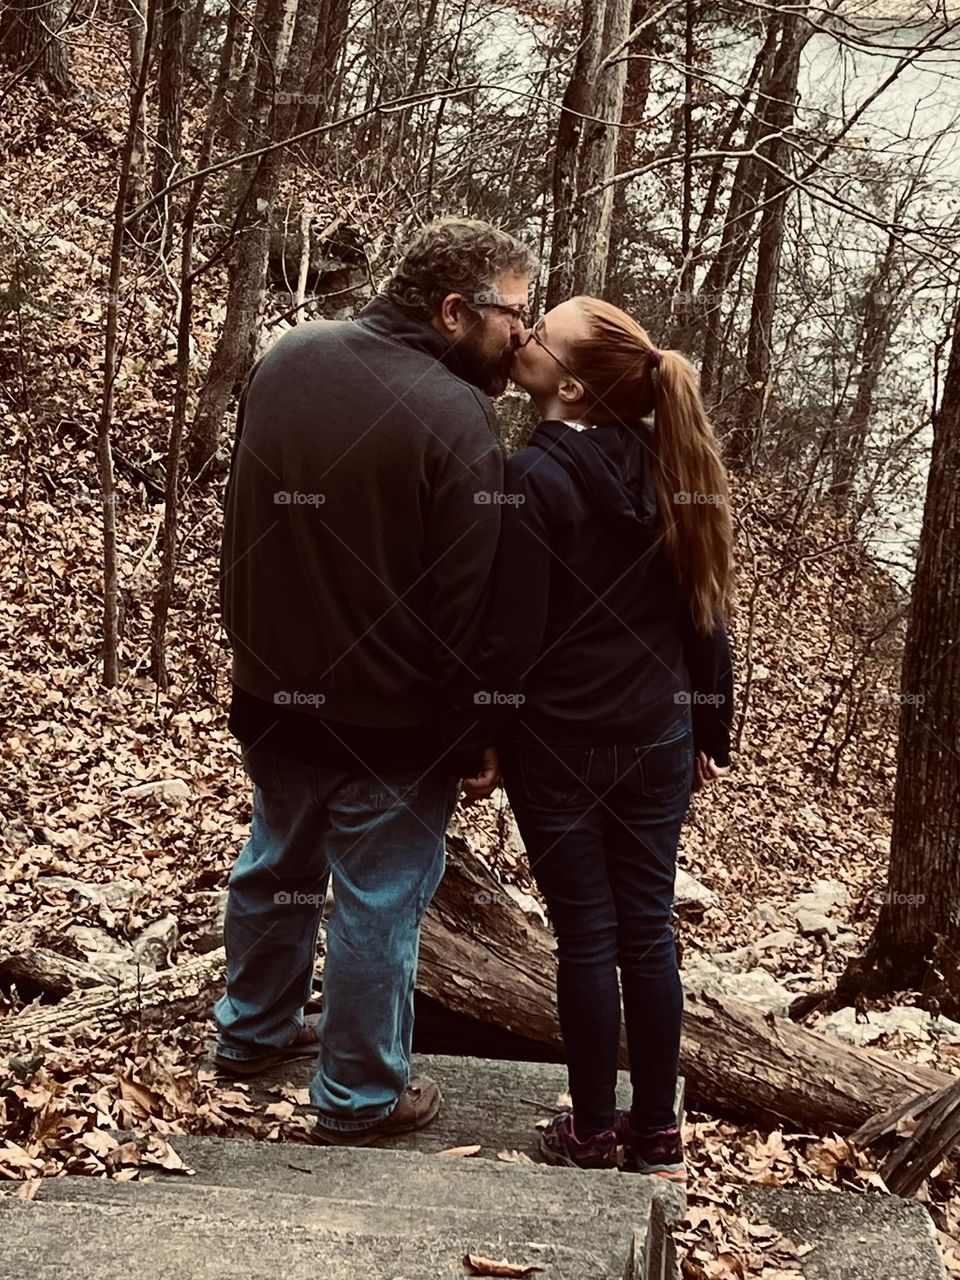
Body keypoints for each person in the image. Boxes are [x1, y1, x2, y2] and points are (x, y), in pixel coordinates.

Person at [213, 217, 536, 1146]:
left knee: (277, 861)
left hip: (272, 694)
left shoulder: (287, 355)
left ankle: (250, 1033)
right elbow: (464, 606)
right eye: (516, 313)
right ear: (451, 311)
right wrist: (475, 732)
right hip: (391, 720)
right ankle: (358, 1095)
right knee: (377, 899)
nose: (524, 333)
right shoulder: (457, 416)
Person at [468, 296, 735, 1174]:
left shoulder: (531, 478)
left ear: (573, 387)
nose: (525, 337)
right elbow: (707, 612)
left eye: (540, 334)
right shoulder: (672, 463)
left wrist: (488, 739)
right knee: (648, 930)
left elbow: (513, 635)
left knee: (587, 936)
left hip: (562, 746)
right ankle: (655, 1130)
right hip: (658, 737)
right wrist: (708, 723)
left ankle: (590, 1129)